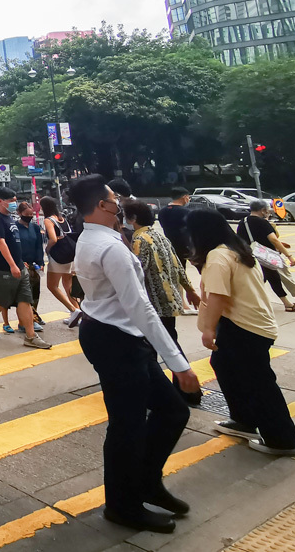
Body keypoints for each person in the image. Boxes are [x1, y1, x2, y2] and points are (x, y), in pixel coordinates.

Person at [72, 175, 200, 534]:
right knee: (126, 426)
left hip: (114, 335)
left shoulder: (96, 238)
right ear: (102, 205)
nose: (121, 203)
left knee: (172, 410)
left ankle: (146, 482)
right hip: (116, 340)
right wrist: (180, 364)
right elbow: (142, 308)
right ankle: (122, 505)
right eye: (115, 198)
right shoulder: (110, 247)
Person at [190, 208, 295, 455]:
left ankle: (282, 439)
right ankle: (243, 420)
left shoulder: (218, 256)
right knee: (224, 366)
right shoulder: (238, 249)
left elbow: (217, 296)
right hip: (248, 323)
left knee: (258, 383)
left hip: (244, 327)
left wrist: (208, 329)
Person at [125, 200, 203, 405]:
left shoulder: (140, 240)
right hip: (169, 302)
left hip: (154, 305)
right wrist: (190, 291)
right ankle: (186, 391)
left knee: (156, 349)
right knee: (170, 344)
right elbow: (178, 265)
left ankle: (174, 392)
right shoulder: (160, 236)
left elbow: (137, 272)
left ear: (132, 219)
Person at [0, 188, 51, 349]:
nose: (13, 203)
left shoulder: (10, 218)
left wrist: (20, 262)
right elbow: (0, 242)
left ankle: (31, 336)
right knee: (1, 300)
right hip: (2, 268)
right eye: (10, 200)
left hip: (19, 266)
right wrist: (11, 265)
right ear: (0, 201)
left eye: (14, 200)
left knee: (25, 299)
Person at [237, 200, 295, 310]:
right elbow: (274, 240)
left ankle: (286, 303)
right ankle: (288, 303)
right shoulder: (262, 223)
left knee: (264, 279)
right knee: (274, 277)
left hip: (250, 255)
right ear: (263, 210)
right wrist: (288, 255)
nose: (269, 212)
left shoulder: (243, 222)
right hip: (266, 256)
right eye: (268, 210)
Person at [41, 196, 80, 319]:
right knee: (68, 284)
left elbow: (52, 238)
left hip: (59, 257)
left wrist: (47, 249)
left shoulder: (48, 220)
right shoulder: (62, 219)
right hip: (71, 255)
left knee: (52, 286)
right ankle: (78, 311)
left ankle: (73, 310)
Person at [14, 203, 46, 329]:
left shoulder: (35, 228)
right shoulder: (15, 227)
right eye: (26, 215)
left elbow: (39, 246)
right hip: (22, 265)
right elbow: (14, 247)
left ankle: (33, 316)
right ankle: (26, 321)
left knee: (35, 293)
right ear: (19, 214)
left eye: (31, 214)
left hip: (34, 265)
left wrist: (41, 262)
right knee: (24, 294)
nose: (29, 217)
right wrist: (19, 261)